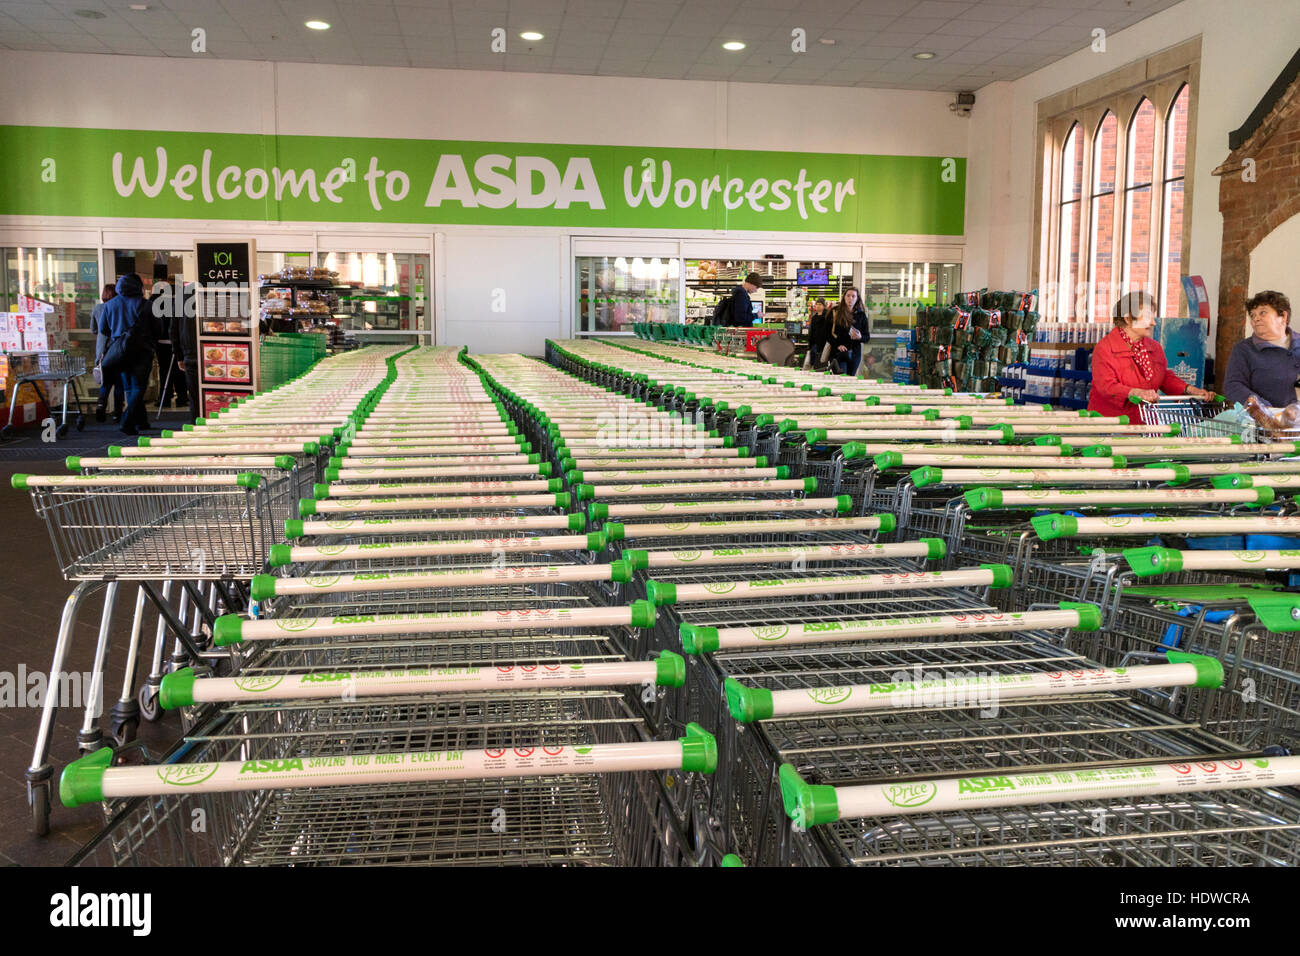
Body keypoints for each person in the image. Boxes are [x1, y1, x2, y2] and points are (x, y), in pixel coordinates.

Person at [1088, 291, 1213, 418]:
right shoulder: (1105, 348)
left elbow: (1163, 377)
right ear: (1128, 319)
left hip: (1144, 421)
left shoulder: (1154, 347)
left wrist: (1190, 390)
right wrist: (1134, 392)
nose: (1153, 322)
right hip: (1111, 424)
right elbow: (1106, 386)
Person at [99, 273, 158, 435]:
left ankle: (140, 422)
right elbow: (158, 329)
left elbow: (103, 329)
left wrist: (118, 334)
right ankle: (127, 421)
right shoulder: (147, 305)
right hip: (142, 351)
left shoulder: (110, 305)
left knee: (129, 388)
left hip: (121, 352)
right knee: (138, 387)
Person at [1223, 291, 1300, 409]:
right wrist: (1263, 408)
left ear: (1283, 316)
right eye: (1252, 315)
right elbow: (1233, 386)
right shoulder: (1244, 350)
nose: (1256, 319)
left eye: (1262, 313)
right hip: (1264, 422)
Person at [90, 282, 123, 422]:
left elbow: (93, 329)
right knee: (119, 383)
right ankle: (117, 413)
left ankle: (100, 407)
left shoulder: (98, 308)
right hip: (117, 350)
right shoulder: (119, 308)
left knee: (105, 382)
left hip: (102, 350)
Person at [170, 281, 201, 424]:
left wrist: (178, 355)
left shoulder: (180, 298)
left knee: (195, 396)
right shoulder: (211, 294)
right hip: (211, 351)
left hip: (190, 352)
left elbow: (173, 329)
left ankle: (196, 425)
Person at [151, 276, 183, 410]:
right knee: (180, 369)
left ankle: (165, 398)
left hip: (162, 340)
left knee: (164, 370)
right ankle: (182, 397)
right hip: (178, 340)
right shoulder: (182, 300)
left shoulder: (157, 300)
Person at [829, 287, 869, 374]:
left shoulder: (861, 315)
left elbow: (867, 337)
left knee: (850, 379)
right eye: (848, 296)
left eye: (853, 296)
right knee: (840, 377)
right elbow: (826, 333)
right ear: (844, 297)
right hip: (838, 353)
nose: (850, 298)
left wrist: (860, 337)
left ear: (857, 298)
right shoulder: (835, 311)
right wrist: (837, 345)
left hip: (854, 354)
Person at [806, 298, 831, 369]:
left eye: (820, 304)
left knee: (822, 363)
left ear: (824, 306)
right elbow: (812, 331)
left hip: (825, 344)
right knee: (813, 363)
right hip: (815, 344)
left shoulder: (828, 316)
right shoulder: (814, 317)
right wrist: (810, 345)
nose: (818, 306)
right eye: (817, 304)